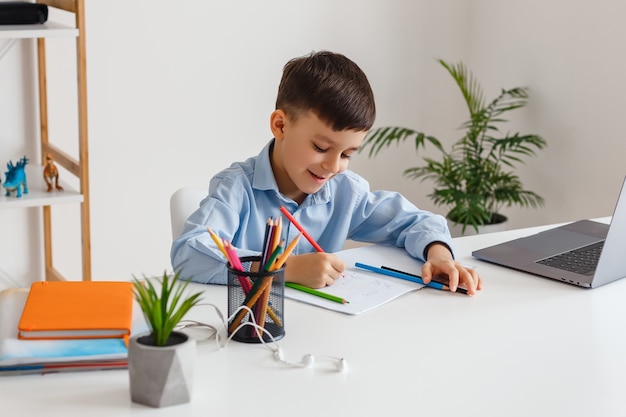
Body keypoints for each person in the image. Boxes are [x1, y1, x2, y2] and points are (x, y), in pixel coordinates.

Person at [171, 51, 482, 295]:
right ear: (281, 125)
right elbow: (189, 252)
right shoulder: (236, 188)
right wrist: (285, 269)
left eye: (347, 154)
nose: (333, 167)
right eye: (321, 147)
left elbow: (417, 222)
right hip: (250, 337)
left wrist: (439, 255)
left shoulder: (346, 192)